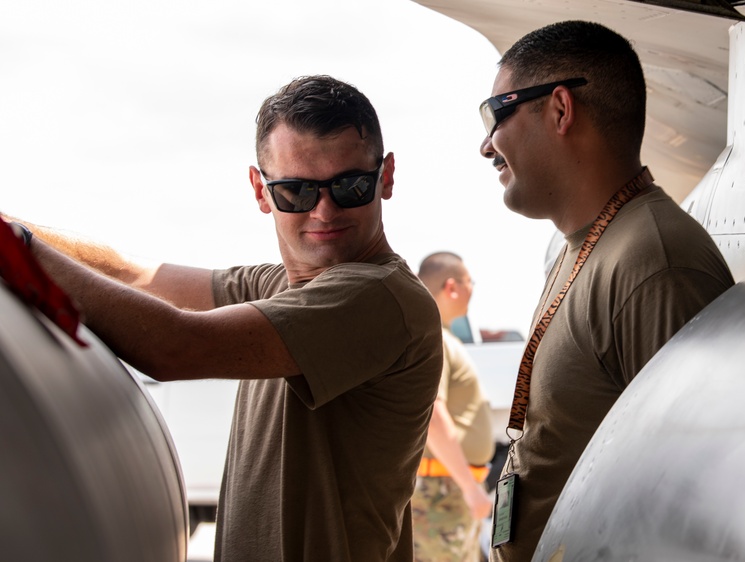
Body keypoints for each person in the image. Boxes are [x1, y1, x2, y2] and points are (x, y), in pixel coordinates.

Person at [3, 75, 443, 562]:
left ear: (386, 176)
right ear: (260, 189)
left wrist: (17, 249)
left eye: (350, 185)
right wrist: (11, 230)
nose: (324, 210)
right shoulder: (282, 286)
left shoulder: (377, 296)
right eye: (296, 191)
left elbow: (175, 345)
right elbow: (134, 275)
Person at [477, 21, 735, 560]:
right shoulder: (585, 244)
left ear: (560, 109)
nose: (486, 145)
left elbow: (695, 496)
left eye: (495, 113)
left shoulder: (657, 263)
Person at [413, 252, 496, 561]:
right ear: (452, 287)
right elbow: (433, 415)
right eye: (469, 281)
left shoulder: (439, 336)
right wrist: (470, 489)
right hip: (442, 492)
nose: (471, 290)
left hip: (445, 490)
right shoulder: (436, 338)